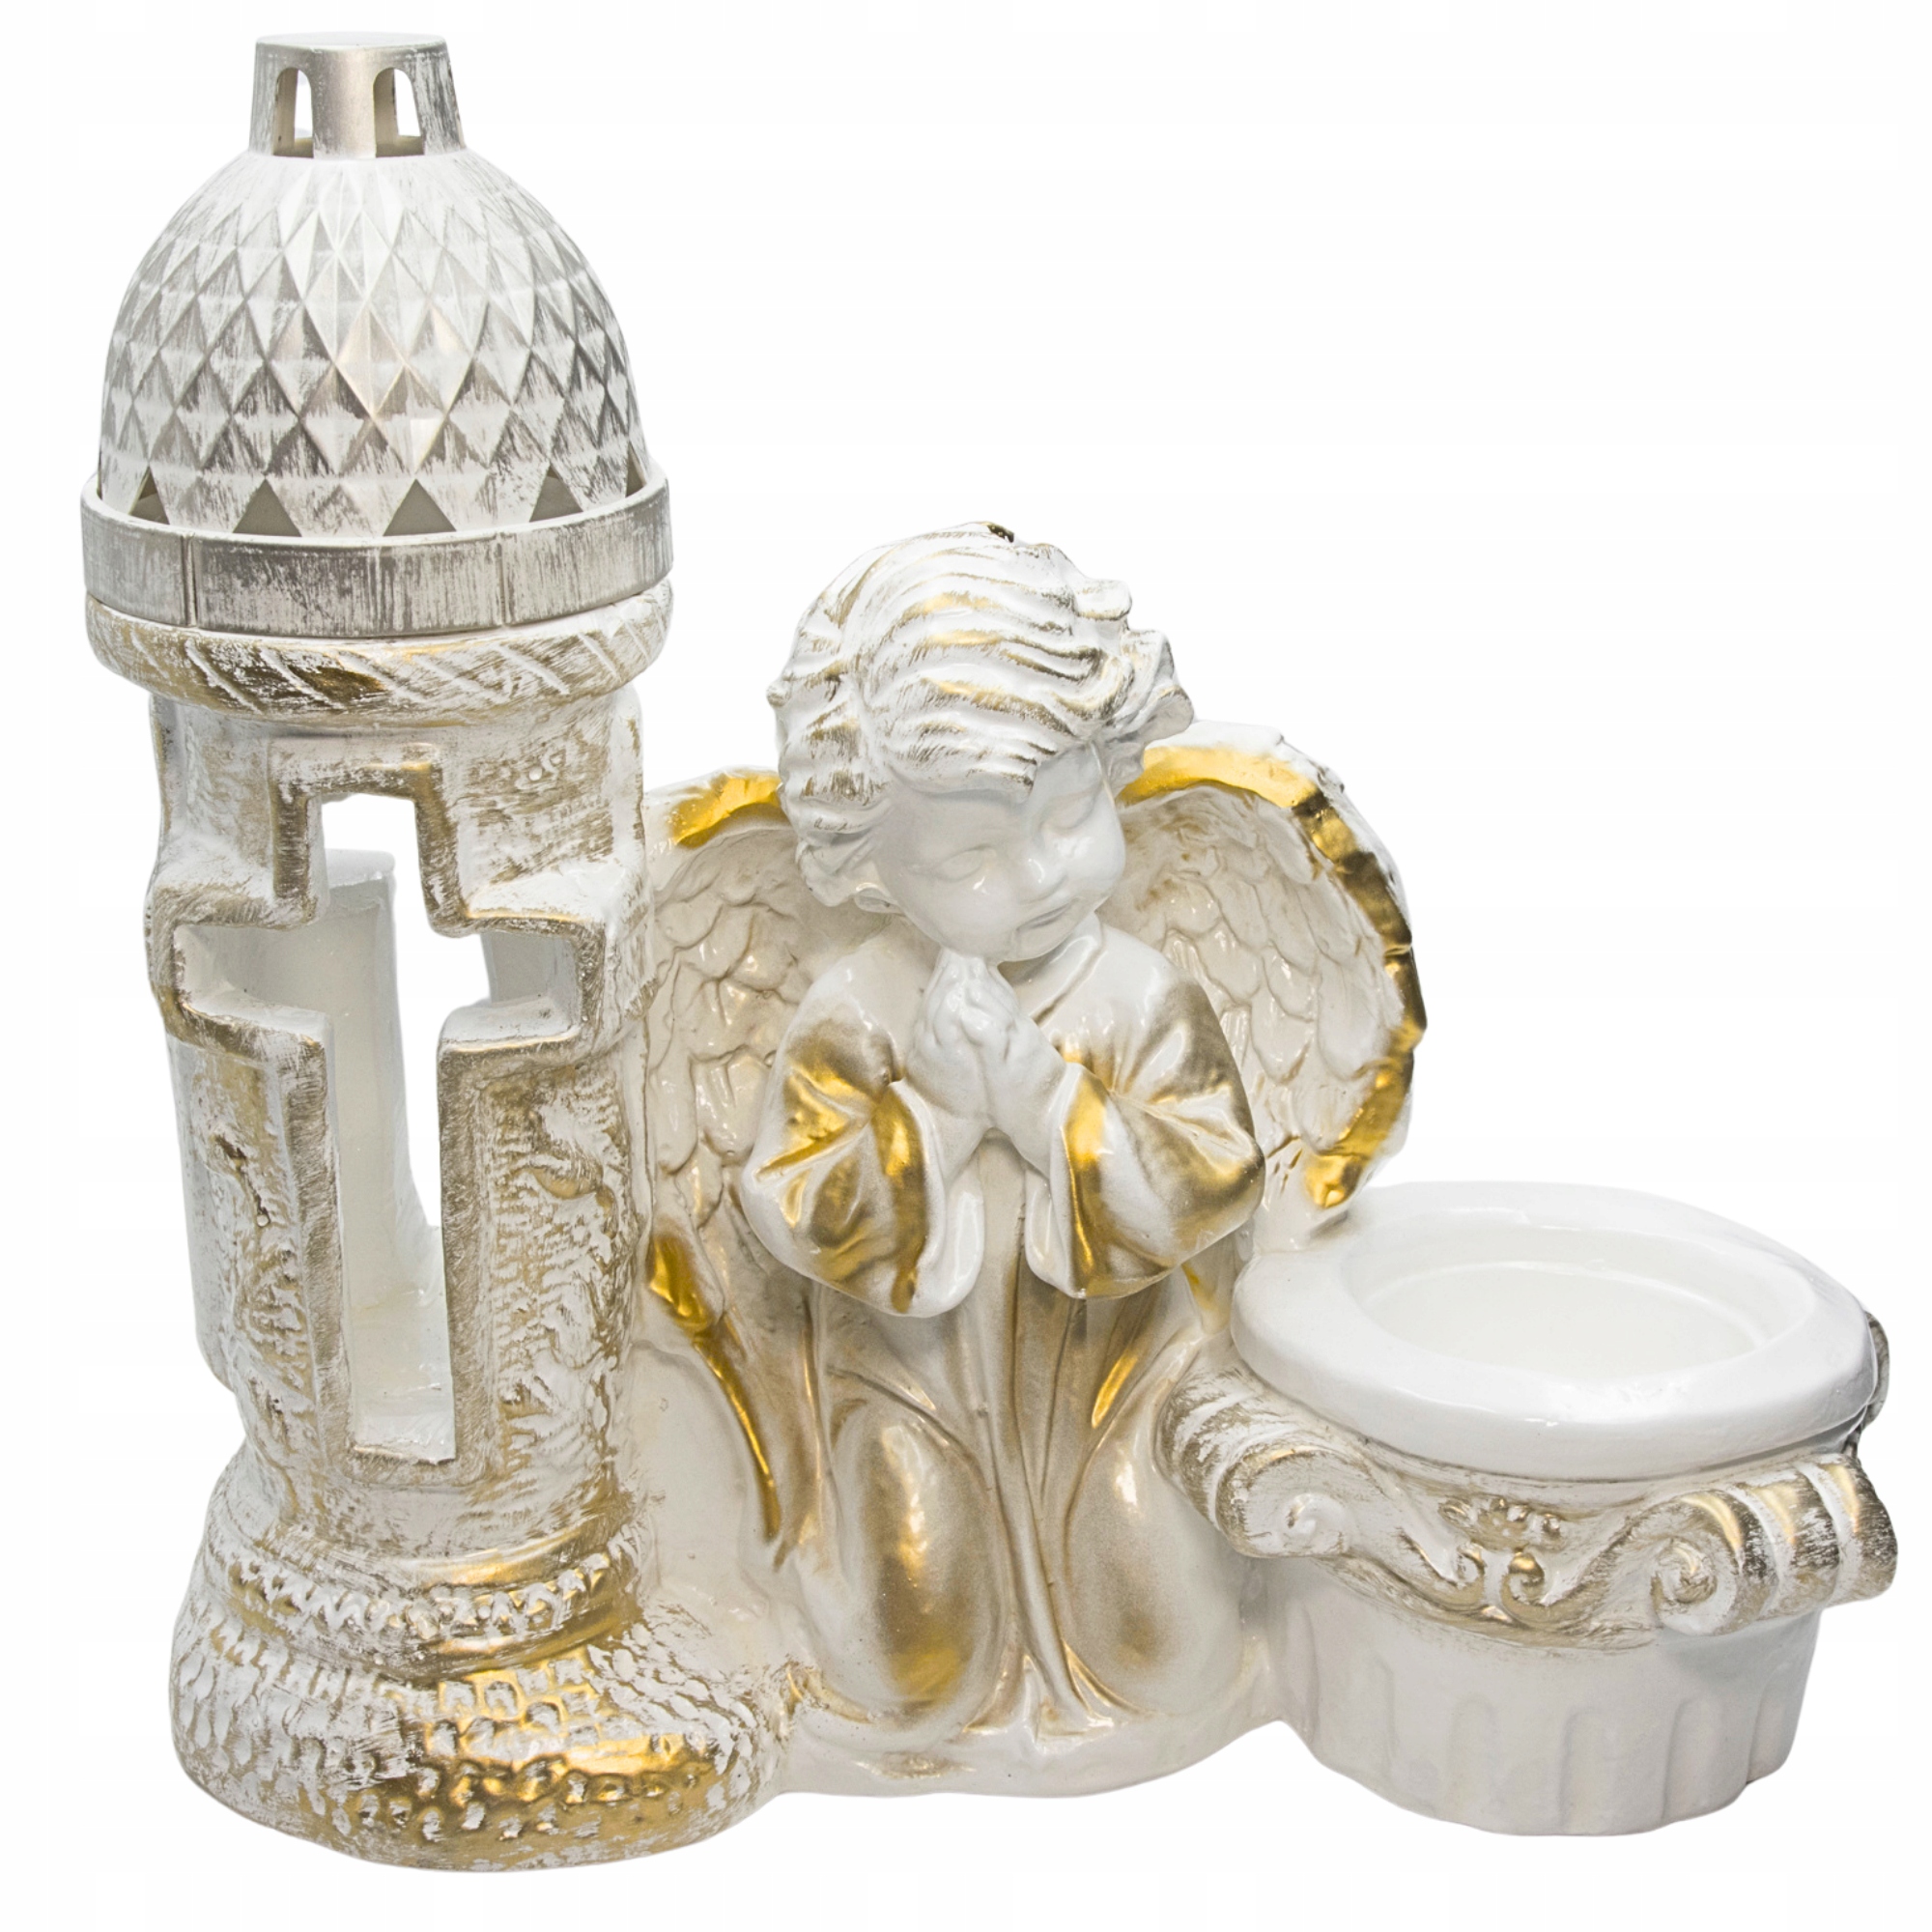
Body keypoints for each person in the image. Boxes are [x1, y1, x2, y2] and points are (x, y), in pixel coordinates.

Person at [744, 525, 1264, 1752]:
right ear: (871, 871)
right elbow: (793, 1202)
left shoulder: (1138, 994)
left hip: (1116, 1376)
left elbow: (1212, 1174)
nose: (1037, 876)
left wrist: (1043, 1105)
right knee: (909, 1668)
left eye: (1072, 812)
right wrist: (930, 1106)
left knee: (1168, 1650)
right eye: (972, 854)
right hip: (910, 1382)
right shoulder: (860, 1005)